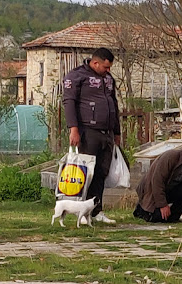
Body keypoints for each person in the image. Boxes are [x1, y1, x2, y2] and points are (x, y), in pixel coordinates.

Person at [63, 47, 120, 224]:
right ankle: (81, 211)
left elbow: (114, 105)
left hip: (107, 133)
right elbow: (69, 103)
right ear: (95, 63)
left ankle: (96, 211)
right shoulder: (76, 77)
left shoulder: (109, 79)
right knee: (86, 173)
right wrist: (74, 129)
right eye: (105, 67)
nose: (108, 71)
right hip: (88, 132)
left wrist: (117, 131)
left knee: (101, 172)